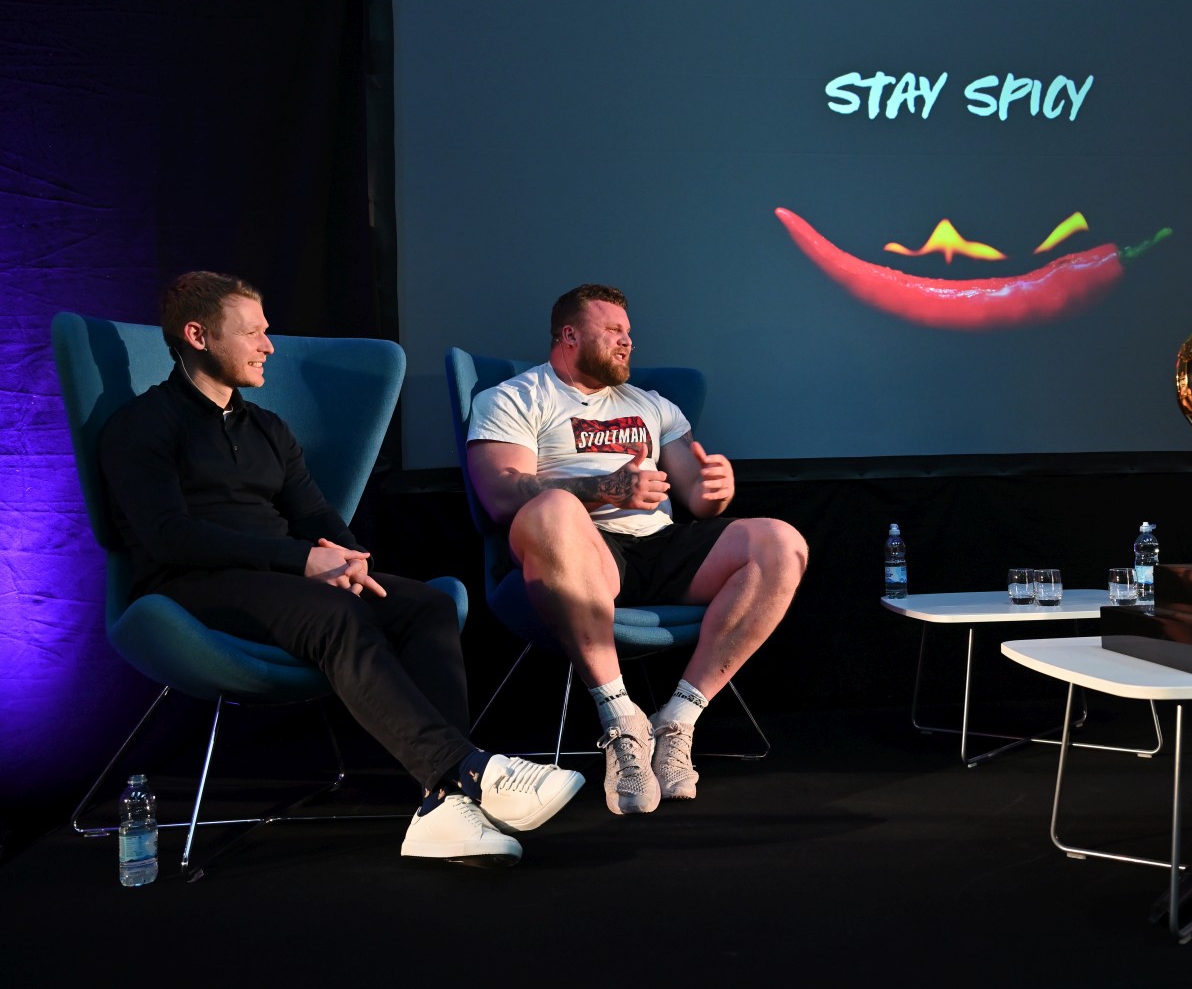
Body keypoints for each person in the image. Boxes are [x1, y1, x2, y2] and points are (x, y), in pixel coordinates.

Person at [99, 271, 583, 866]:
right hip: (187, 587)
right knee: (333, 613)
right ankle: (469, 771)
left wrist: (348, 558)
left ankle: (441, 805)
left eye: (266, 332)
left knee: (425, 604)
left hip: (280, 581)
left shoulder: (268, 429)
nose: (268, 345)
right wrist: (303, 560)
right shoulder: (141, 425)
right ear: (198, 336)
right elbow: (169, 537)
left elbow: (314, 512)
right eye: (252, 332)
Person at [466, 283, 808, 815]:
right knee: (552, 511)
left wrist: (716, 490)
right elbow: (501, 497)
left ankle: (678, 719)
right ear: (570, 335)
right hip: (581, 553)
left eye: (629, 333)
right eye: (613, 332)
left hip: (661, 545)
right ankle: (622, 722)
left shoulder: (653, 406)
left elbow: (695, 495)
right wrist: (606, 491)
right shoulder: (515, 398)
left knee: (781, 542)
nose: (627, 342)